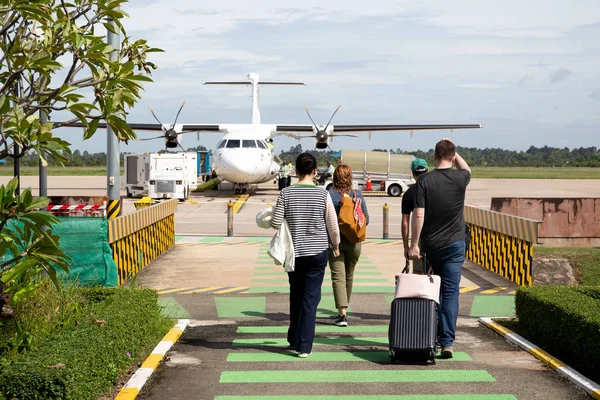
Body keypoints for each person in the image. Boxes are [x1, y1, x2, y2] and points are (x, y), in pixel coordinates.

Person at [271, 152, 341, 358]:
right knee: (310, 299)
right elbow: (333, 226)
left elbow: (275, 223)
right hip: (317, 253)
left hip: (294, 253)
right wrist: (335, 245)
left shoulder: (286, 193)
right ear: (315, 171)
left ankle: (293, 338)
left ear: (296, 171)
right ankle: (304, 346)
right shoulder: (323, 194)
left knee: (296, 294)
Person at [408, 138, 471, 359]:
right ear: (452, 158)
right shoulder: (461, 178)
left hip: (431, 247)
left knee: (431, 292)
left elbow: (418, 214)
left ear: (434, 157)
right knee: (451, 293)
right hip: (455, 244)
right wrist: (454, 149)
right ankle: (447, 342)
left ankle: (429, 338)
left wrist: (414, 244)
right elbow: (467, 168)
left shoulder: (425, 181)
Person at [327, 164, 369, 327]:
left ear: (335, 177)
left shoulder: (329, 195)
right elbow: (366, 219)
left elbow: (327, 221)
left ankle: (342, 313)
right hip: (354, 241)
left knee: (338, 276)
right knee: (349, 275)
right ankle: (345, 308)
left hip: (335, 242)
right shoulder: (357, 194)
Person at [401, 158, 429, 274]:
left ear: (413, 173)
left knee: (419, 273)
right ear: (428, 171)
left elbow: (405, 223)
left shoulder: (408, 194)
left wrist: (406, 246)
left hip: (420, 239)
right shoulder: (435, 188)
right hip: (439, 236)